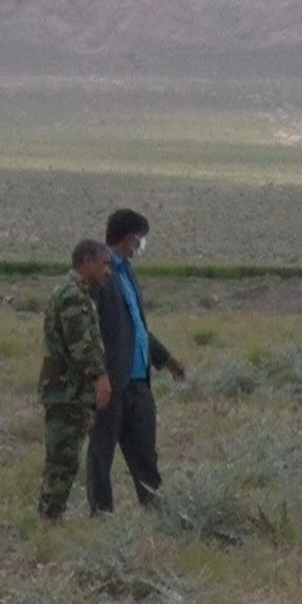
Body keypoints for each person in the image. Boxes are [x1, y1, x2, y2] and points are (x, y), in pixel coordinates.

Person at [88, 208, 185, 514]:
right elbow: (91, 332)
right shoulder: (102, 275)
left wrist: (166, 359)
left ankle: (156, 511)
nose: (141, 245)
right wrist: (98, 375)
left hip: (139, 382)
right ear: (130, 238)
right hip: (112, 383)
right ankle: (100, 514)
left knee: (145, 452)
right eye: (140, 238)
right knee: (102, 452)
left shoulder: (127, 273)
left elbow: (138, 329)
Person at [39, 240, 114, 521]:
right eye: (104, 264)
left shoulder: (79, 293)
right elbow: (81, 346)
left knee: (65, 459)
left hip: (68, 391)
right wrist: (100, 377)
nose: (108, 271)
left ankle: (51, 516)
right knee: (62, 460)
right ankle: (50, 519)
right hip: (65, 392)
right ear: (87, 262)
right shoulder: (72, 295)